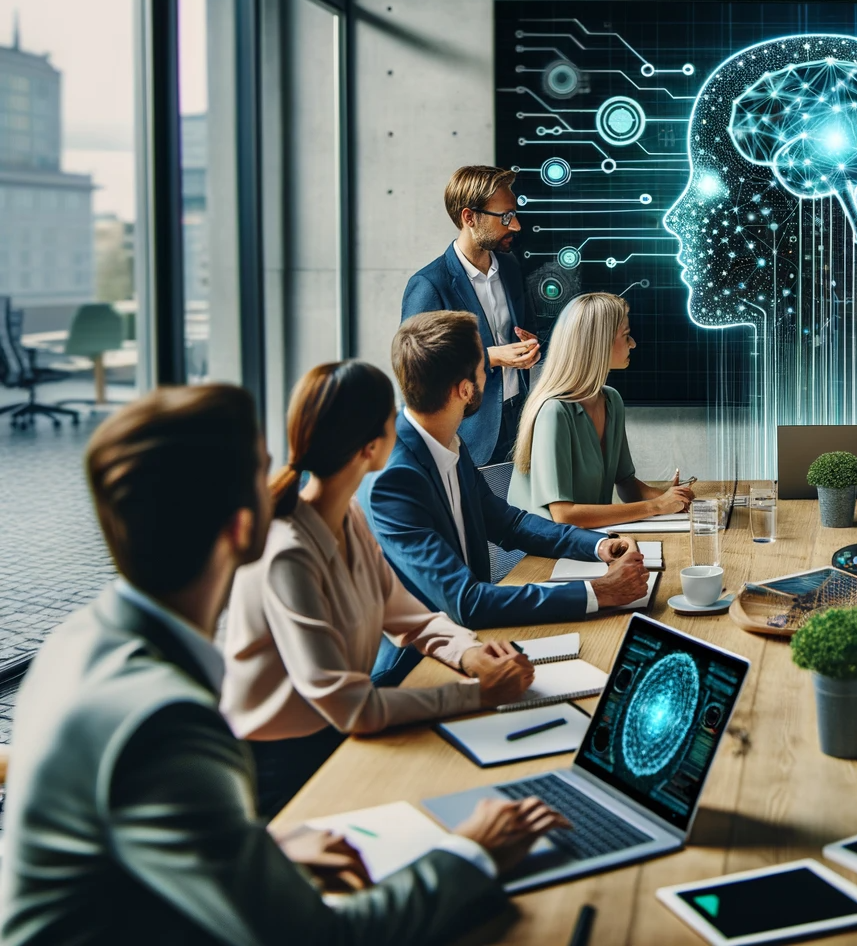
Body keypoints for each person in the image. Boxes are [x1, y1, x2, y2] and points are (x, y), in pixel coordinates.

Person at [0, 386, 569, 944]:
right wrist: (472, 852)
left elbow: (128, 833)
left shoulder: (75, 640)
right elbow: (324, 936)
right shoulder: (167, 721)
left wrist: (260, 851)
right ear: (242, 527)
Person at [221, 361, 538, 818]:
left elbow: (404, 614)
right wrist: (478, 695)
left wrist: (469, 654)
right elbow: (351, 707)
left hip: (337, 734)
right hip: (288, 768)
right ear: (372, 448)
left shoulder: (348, 516)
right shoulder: (287, 552)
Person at [363, 311, 650, 653]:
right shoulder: (393, 479)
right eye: (485, 367)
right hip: (422, 663)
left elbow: (509, 523)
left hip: (480, 641)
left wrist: (597, 546)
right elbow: (466, 602)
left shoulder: (445, 440)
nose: (491, 372)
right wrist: (600, 592)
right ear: (465, 390)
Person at [509, 292, 694, 525]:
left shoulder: (611, 400)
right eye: (626, 336)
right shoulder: (553, 412)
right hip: (547, 554)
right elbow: (564, 516)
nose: (633, 343)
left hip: (594, 541)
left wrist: (675, 499)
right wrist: (656, 506)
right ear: (599, 344)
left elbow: (626, 485)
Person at [402, 165, 541, 466]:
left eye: (514, 214)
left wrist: (531, 347)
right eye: (505, 216)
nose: (515, 225)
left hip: (519, 420)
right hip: (470, 433)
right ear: (469, 218)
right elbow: (417, 370)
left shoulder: (511, 268)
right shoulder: (429, 285)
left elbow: (525, 329)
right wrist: (493, 357)